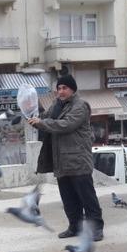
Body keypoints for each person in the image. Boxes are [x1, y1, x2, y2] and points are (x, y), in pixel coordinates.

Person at [28, 75, 104, 241]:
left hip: (78, 160)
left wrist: (41, 123)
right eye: (59, 88)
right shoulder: (57, 105)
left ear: (73, 90)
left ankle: (96, 229)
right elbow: (45, 118)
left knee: (87, 198)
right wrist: (33, 115)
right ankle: (75, 227)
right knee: (68, 198)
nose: (61, 91)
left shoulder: (80, 106)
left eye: (65, 88)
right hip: (61, 161)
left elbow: (66, 125)